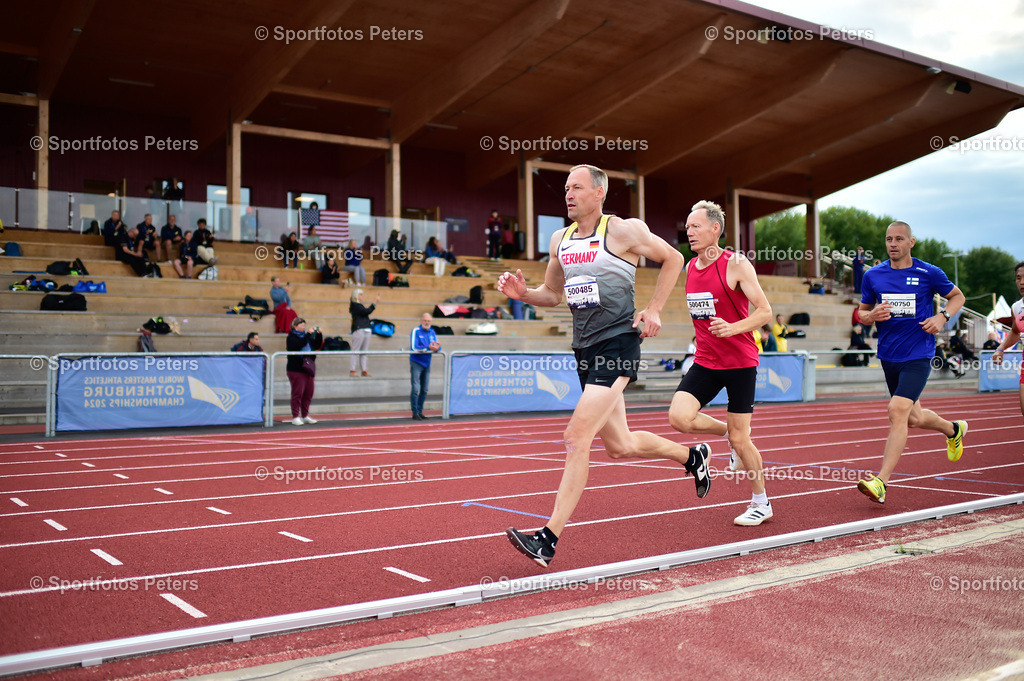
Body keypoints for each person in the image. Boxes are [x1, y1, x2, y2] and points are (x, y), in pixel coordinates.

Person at [498, 164, 709, 568]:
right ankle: (692, 458)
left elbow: (673, 258)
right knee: (620, 445)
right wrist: (523, 294)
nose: (568, 194)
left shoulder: (623, 230)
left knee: (577, 438)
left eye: (576, 187)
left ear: (599, 192)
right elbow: (553, 295)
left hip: (618, 345)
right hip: (584, 349)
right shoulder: (560, 240)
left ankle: (548, 539)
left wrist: (654, 308)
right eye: (565, 188)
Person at [668, 200, 774, 527]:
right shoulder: (689, 267)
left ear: (715, 229)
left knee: (744, 440)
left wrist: (732, 328)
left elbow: (765, 312)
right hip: (706, 360)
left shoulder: (736, 264)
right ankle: (727, 435)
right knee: (679, 417)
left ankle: (761, 503)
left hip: (739, 361)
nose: (689, 232)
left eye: (696, 226)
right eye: (687, 227)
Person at [855, 221, 967, 504]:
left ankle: (881, 482)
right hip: (888, 355)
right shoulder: (873, 275)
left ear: (911, 242)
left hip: (919, 354)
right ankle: (953, 430)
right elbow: (861, 313)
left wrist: (942, 317)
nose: (893, 244)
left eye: (899, 239)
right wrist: (871, 316)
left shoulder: (929, 272)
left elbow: (957, 297)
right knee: (913, 418)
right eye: (889, 239)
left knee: (897, 410)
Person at [991, 261, 1024, 422]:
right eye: (1018, 278)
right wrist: (1001, 348)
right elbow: (1016, 332)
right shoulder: (1017, 307)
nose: (1022, 282)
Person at [285, 318, 322, 426]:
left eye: (304, 325)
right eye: (301, 325)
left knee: (308, 393)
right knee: (297, 393)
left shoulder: (307, 336)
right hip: (296, 368)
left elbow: (316, 345)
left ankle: (305, 415)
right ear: (295, 326)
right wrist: (307, 335)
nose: (304, 327)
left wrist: (319, 335)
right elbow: (297, 346)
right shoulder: (291, 336)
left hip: (308, 368)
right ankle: (295, 416)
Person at [409, 313, 441, 420]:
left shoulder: (432, 332)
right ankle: (415, 412)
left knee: (425, 389)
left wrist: (436, 348)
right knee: (415, 388)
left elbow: (437, 346)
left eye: (429, 321)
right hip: (417, 362)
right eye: (425, 321)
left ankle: (420, 410)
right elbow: (414, 347)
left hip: (427, 363)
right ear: (421, 321)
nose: (427, 323)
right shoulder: (416, 331)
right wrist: (428, 348)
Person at [349, 288, 379, 377]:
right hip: (359, 328)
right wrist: (374, 303)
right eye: (360, 294)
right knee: (356, 350)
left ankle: (364, 369)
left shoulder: (358, 305)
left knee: (364, 351)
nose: (362, 296)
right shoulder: (354, 305)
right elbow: (366, 311)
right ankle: (352, 369)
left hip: (366, 328)